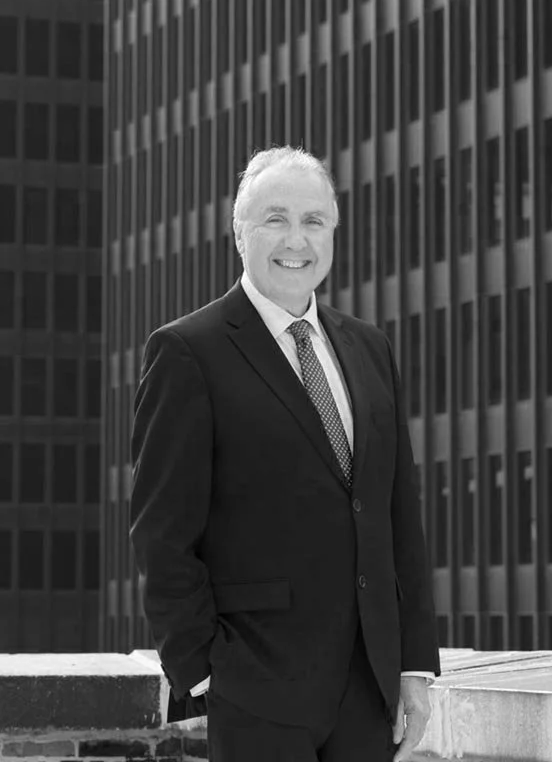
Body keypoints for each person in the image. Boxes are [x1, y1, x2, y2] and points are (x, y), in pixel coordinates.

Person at [130, 146, 440, 762]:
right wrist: (205, 671)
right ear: (239, 232)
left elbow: (396, 513)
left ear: (332, 233)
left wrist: (413, 666)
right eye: (275, 219)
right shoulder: (188, 352)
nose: (296, 239)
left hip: (368, 688)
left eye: (314, 221)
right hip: (256, 689)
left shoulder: (370, 348)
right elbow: (161, 532)